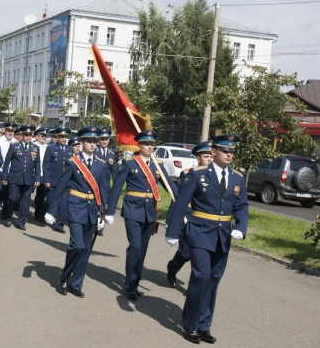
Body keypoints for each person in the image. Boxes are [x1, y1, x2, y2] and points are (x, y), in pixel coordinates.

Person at [165, 135, 248, 344]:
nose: (229, 154)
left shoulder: (237, 178)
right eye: (224, 150)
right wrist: (173, 232)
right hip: (200, 232)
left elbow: (242, 205)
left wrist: (241, 227)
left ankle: (204, 325)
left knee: (213, 279)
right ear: (214, 152)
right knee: (201, 276)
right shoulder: (197, 174)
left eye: (232, 151)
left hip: (222, 236)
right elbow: (181, 203)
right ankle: (190, 324)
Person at [106, 130, 178, 301]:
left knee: (143, 249)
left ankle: (135, 282)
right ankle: (129, 285)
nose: (150, 147)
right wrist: (109, 212)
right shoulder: (131, 164)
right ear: (139, 145)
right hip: (132, 210)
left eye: (152, 144)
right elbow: (117, 187)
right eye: (146, 144)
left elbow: (172, 189)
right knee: (135, 247)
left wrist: (184, 203)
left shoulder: (158, 165)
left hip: (150, 212)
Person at [45, 126, 110, 298]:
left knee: (86, 249)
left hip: (92, 210)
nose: (93, 144)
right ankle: (65, 277)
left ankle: (76, 283)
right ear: (81, 142)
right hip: (75, 207)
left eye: (95, 141)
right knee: (77, 245)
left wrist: (103, 213)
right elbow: (61, 186)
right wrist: (51, 210)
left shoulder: (101, 165)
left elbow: (103, 190)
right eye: (89, 141)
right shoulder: (73, 162)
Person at [165, 141, 214, 286]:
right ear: (198, 158)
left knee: (199, 256)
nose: (210, 159)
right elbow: (179, 200)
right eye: (206, 156)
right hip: (189, 217)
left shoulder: (217, 176)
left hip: (206, 220)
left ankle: (195, 287)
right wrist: (172, 219)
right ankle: (172, 268)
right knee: (185, 253)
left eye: (211, 156)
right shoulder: (188, 174)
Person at [1, 124, 41, 230]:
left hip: (28, 179)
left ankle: (21, 222)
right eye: (26, 135)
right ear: (22, 135)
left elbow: (38, 164)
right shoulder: (14, 146)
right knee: (12, 199)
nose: (28, 137)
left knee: (25, 201)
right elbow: (7, 162)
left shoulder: (35, 148)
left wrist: (37, 178)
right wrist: (4, 177)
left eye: (30, 135)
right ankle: (8, 217)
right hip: (15, 177)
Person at [42, 128, 73, 233]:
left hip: (66, 182)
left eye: (65, 137)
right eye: (61, 137)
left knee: (63, 204)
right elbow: (45, 165)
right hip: (53, 180)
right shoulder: (51, 148)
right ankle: (45, 215)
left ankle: (59, 225)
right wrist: (46, 179)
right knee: (51, 201)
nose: (63, 139)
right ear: (58, 137)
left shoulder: (70, 150)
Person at [32, 126, 50, 226]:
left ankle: (39, 215)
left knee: (41, 196)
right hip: (32, 173)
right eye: (42, 135)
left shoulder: (47, 147)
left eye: (45, 135)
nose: (44, 137)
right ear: (37, 136)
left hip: (43, 174)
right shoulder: (32, 145)